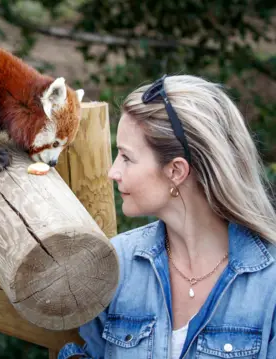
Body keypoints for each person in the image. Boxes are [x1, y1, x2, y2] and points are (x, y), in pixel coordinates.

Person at [58, 74, 276, 358]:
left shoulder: (268, 282)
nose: (113, 172)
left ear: (176, 171)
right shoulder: (118, 264)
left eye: (126, 157)